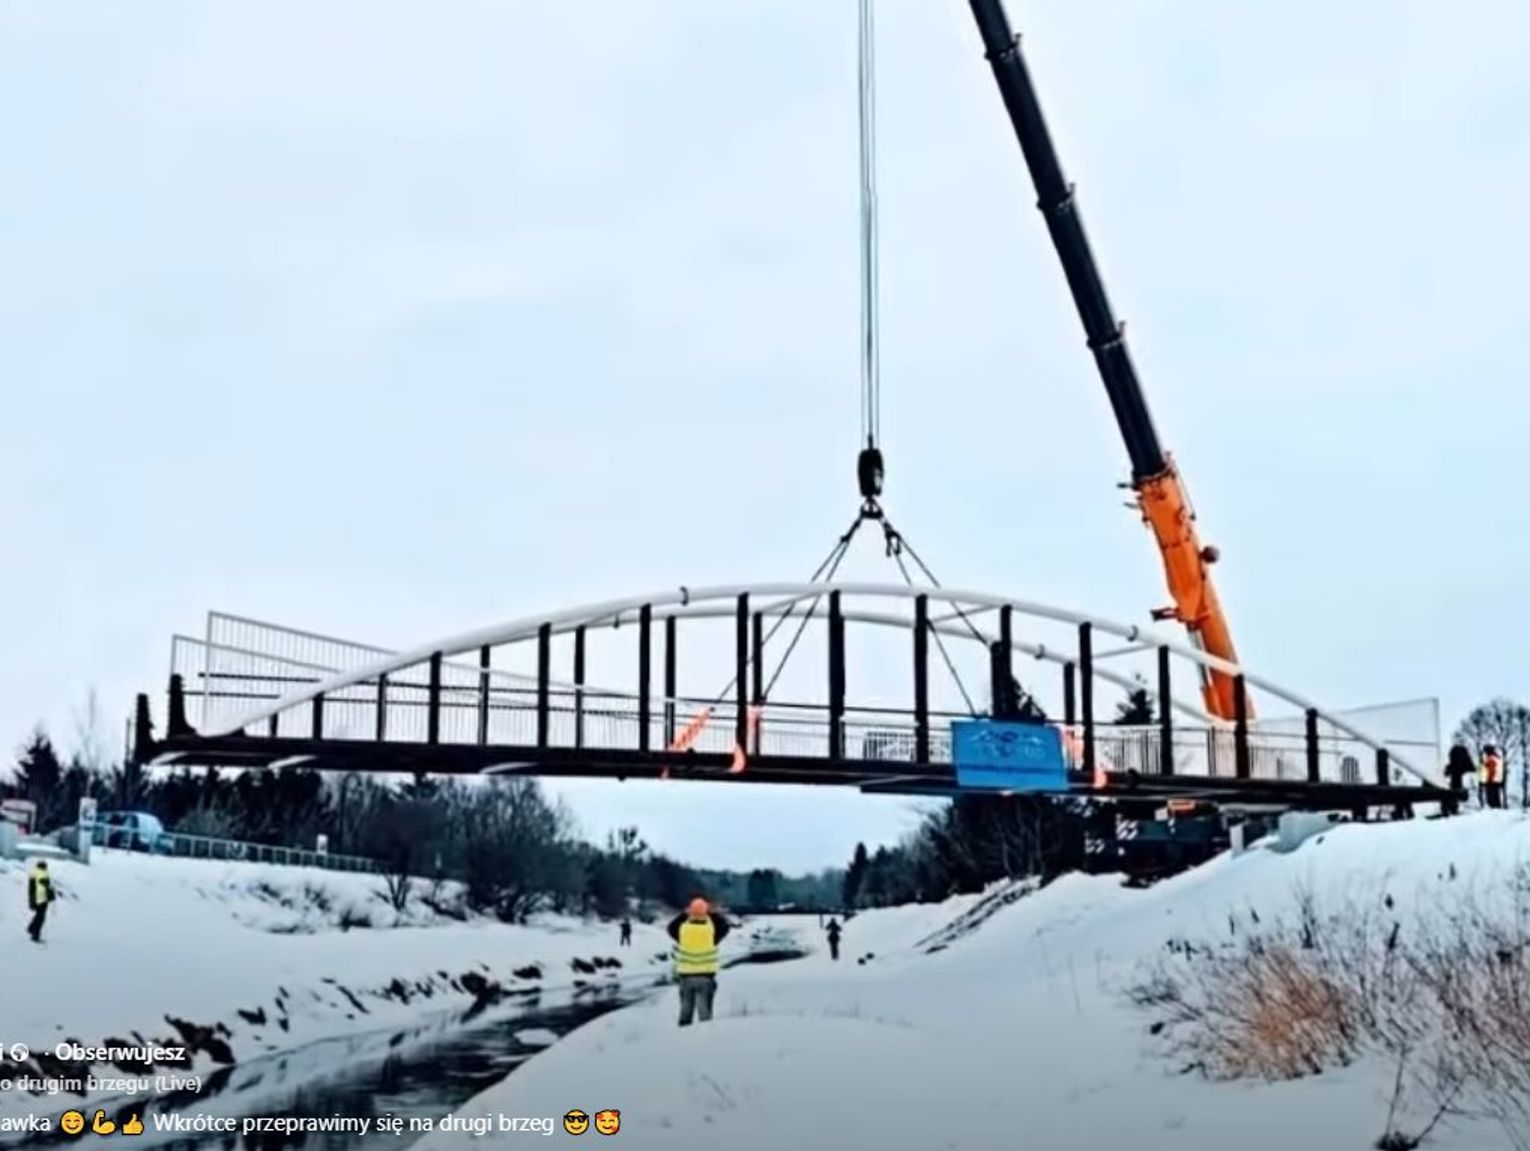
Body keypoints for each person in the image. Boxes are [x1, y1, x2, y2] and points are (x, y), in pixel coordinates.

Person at [666, 897, 729, 1026]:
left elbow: (671, 928)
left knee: (686, 1009)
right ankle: (705, 1037)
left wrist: (684, 914)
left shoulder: (683, 931)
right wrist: (713, 913)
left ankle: (683, 1034)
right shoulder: (711, 931)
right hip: (706, 975)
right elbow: (725, 927)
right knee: (704, 1012)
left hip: (686, 976)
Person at [1443, 744, 1474, 817]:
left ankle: (1452, 808)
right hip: (1462, 789)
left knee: (1451, 793)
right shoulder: (1468, 765)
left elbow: (1446, 774)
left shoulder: (1452, 765)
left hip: (1457, 788)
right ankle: (1453, 808)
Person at [26, 859, 53, 943]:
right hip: (42, 899)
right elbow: (46, 887)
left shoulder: (33, 874)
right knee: (41, 917)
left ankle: (31, 928)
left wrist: (31, 901)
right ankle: (35, 936)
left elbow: (31, 889)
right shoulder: (43, 874)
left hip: (35, 899)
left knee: (38, 915)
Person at [1480, 745, 1506, 810]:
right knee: (1496, 797)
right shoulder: (1497, 757)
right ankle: (1497, 810)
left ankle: (1494, 811)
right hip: (1497, 781)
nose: (1485, 753)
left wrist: (1485, 780)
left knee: (1491, 798)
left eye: (1485, 751)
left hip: (1491, 781)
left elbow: (1490, 771)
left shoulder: (1491, 758)